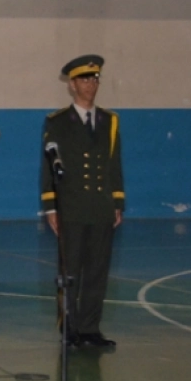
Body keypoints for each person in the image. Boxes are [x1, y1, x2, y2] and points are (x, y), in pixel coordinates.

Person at [41, 55, 125, 349]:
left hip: (100, 206)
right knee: (70, 271)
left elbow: (114, 163)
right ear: (73, 85)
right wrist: (51, 206)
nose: (92, 84)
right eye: (85, 79)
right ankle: (70, 329)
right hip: (72, 206)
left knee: (97, 270)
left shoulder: (110, 120)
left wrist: (117, 201)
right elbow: (49, 166)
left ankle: (90, 329)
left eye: (95, 79)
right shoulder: (58, 121)